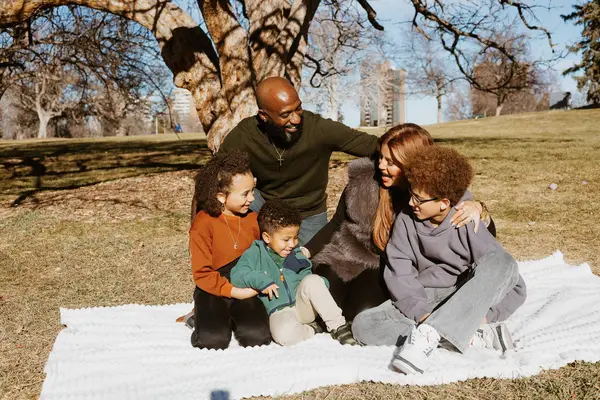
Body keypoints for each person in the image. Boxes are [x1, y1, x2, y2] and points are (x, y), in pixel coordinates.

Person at [352, 145, 526, 375]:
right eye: (411, 194)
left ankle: (430, 336)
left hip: (465, 295)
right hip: (428, 297)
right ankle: (467, 337)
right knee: (363, 325)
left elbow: (506, 276)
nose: (411, 202)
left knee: (504, 261)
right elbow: (399, 273)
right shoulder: (406, 220)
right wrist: (421, 313)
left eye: (418, 198)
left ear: (444, 202)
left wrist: (482, 317)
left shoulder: (465, 220)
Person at [304, 123, 494, 321]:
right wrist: (306, 250)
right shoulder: (362, 182)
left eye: (390, 162)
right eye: (380, 157)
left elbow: (482, 237)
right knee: (320, 302)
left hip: (389, 267)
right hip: (347, 256)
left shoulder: (431, 196)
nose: (381, 165)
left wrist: (480, 210)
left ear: (412, 164)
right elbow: (336, 224)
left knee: (359, 313)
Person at [193, 76, 379, 246]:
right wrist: (197, 231)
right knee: (231, 197)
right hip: (265, 206)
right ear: (264, 116)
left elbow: (373, 145)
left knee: (312, 265)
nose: (296, 119)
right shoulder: (245, 135)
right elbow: (210, 179)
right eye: (285, 114)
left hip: (309, 212)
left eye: (298, 108)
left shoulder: (319, 128)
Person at [230, 200, 357, 346]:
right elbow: (237, 276)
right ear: (267, 237)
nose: (292, 244)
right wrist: (260, 280)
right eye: (286, 239)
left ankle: (339, 327)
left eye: (295, 238)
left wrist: (321, 284)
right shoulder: (255, 253)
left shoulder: (296, 254)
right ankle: (313, 329)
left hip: (303, 306)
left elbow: (308, 279)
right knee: (285, 336)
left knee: (313, 280)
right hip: (279, 311)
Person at [187, 149, 272, 349]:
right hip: (213, 288)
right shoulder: (202, 224)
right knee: (212, 340)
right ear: (221, 196)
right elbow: (202, 273)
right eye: (245, 194)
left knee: (257, 336)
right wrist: (234, 292)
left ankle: (232, 317)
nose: (252, 198)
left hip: (245, 283)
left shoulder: (253, 219)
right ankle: (202, 316)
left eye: (253, 191)